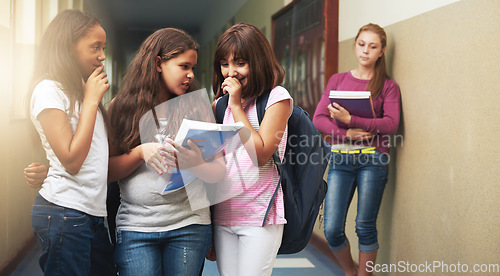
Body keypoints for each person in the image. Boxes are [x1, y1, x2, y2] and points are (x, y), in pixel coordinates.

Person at [107, 28, 225, 276]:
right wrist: (139, 152)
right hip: (136, 228)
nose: (191, 75)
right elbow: (107, 171)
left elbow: (219, 172)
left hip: (189, 226)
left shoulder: (197, 106)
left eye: (192, 68)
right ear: (159, 63)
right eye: (184, 66)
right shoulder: (121, 107)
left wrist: (196, 164)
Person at [27, 9, 115, 275]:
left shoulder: (81, 92)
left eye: (104, 47)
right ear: (68, 47)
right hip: (65, 212)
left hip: (90, 215)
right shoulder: (48, 90)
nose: (102, 55)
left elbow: (95, 156)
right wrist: (91, 100)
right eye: (95, 47)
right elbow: (72, 160)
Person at [312, 23, 401, 276]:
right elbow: (319, 119)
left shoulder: (388, 86)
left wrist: (353, 120)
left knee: (364, 226)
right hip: (340, 159)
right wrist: (345, 132)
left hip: (373, 159)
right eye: (362, 45)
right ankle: (351, 272)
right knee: (332, 229)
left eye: (373, 47)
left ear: (381, 51)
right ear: (355, 45)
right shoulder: (338, 80)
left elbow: (391, 124)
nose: (366, 51)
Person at [211, 23, 293, 276]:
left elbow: (260, 155)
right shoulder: (219, 105)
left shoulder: (277, 98)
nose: (230, 72)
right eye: (225, 63)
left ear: (257, 61)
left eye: (240, 62)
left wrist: (236, 107)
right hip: (224, 214)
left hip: (260, 216)